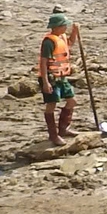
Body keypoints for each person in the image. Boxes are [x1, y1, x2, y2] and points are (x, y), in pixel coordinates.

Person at [37, 9, 79, 143]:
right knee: (51, 105)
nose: (65, 27)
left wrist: (75, 32)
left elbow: (70, 43)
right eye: (64, 26)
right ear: (57, 27)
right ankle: (53, 135)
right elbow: (43, 63)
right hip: (51, 78)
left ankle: (63, 129)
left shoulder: (62, 37)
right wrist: (45, 82)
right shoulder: (48, 42)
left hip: (61, 77)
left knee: (71, 101)